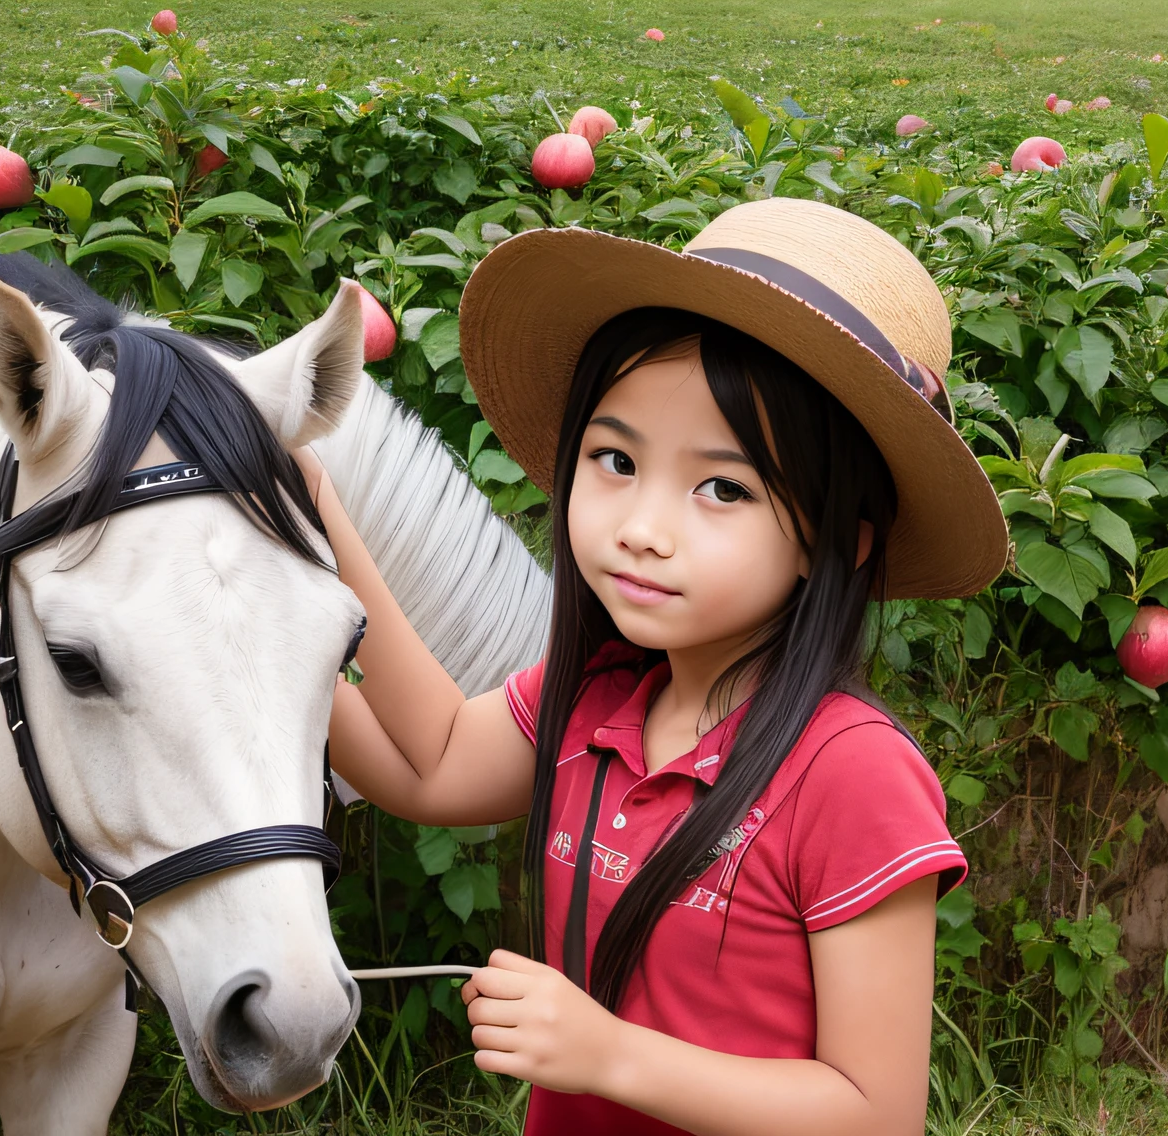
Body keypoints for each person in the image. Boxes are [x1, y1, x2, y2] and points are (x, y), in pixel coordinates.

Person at [299, 197, 1009, 1135]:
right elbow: (428, 764)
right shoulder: (597, 694)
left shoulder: (849, 773)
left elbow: (876, 1115)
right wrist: (305, 529)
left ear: (837, 542)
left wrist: (609, 1055)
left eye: (723, 487)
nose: (640, 529)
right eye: (614, 459)